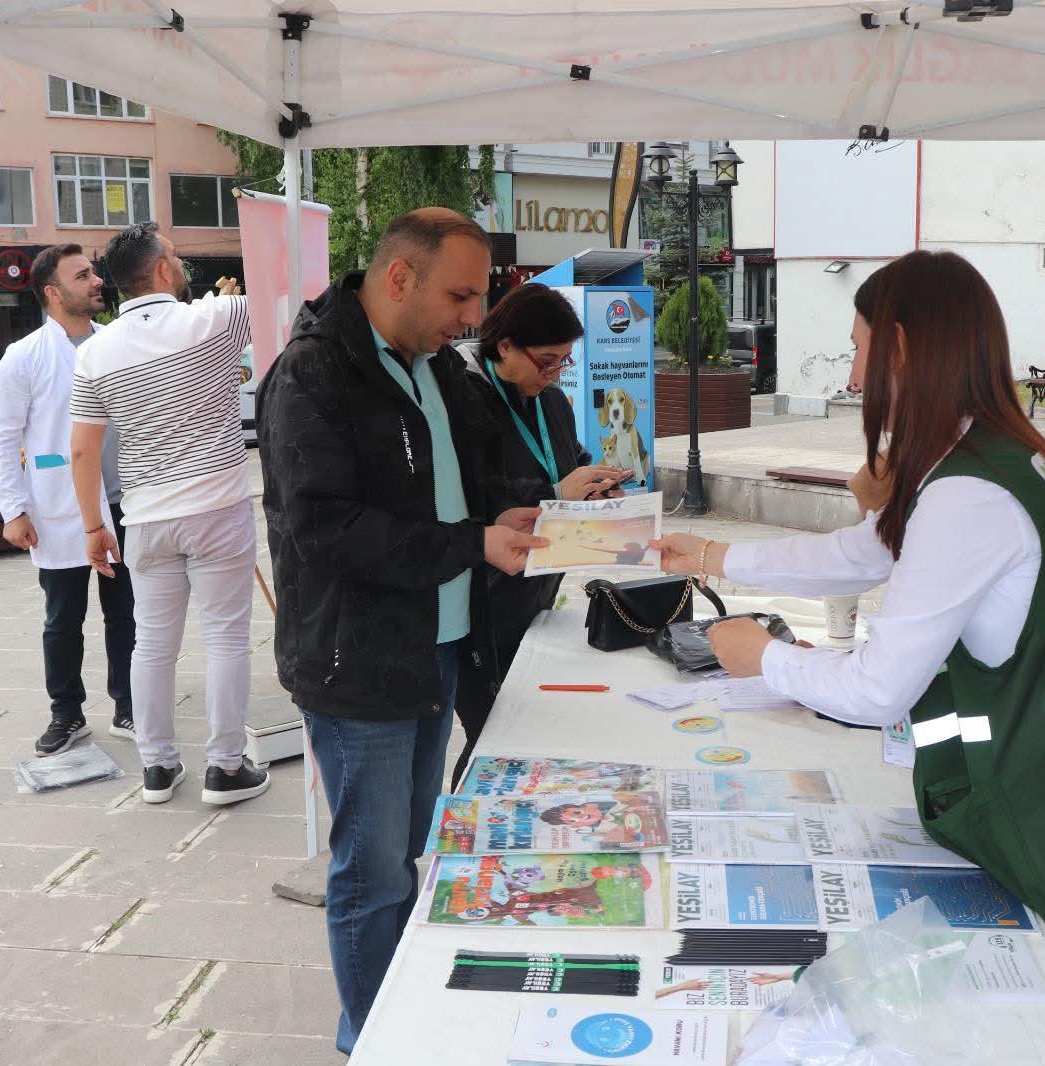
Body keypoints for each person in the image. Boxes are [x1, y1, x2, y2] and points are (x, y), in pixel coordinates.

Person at [653, 250, 1045, 1066]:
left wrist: (766, 657)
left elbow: (878, 689)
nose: (852, 373)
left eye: (859, 347)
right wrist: (718, 557)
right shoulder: (991, 458)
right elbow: (864, 552)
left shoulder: (970, 493)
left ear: (901, 348)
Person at [257, 208, 546, 1054]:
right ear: (398, 278)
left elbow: (461, 483)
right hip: (358, 663)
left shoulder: (438, 365)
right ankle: (371, 1040)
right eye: (459, 296)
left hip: (438, 646)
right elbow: (327, 531)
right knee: (373, 871)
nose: (472, 317)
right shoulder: (314, 373)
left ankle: (395, 1012)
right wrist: (470, 544)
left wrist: (508, 513)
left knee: (410, 849)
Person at [68, 223, 269, 808]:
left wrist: (92, 526)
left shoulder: (95, 352)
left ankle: (157, 766)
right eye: (176, 256)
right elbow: (286, 301)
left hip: (146, 517)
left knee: (151, 644)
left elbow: (82, 450)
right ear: (160, 269)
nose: (181, 264)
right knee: (226, 639)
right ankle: (225, 768)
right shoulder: (217, 318)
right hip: (217, 506)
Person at [453, 282, 629, 785]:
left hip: (538, 590)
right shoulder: (461, 397)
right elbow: (473, 494)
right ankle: (470, 818)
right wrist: (554, 491)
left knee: (530, 731)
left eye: (563, 362)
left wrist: (594, 487)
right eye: (546, 361)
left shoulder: (551, 399)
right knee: (493, 736)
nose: (554, 374)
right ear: (505, 345)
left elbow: (569, 460)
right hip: (481, 601)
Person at [0, 244, 136, 757]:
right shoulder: (24, 356)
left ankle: (129, 703)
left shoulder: (115, 342)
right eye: (83, 275)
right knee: (63, 619)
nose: (97, 281)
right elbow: (3, 438)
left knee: (127, 612)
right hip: (59, 506)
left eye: (93, 272)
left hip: (123, 501)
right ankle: (66, 712)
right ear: (52, 292)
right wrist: (13, 511)